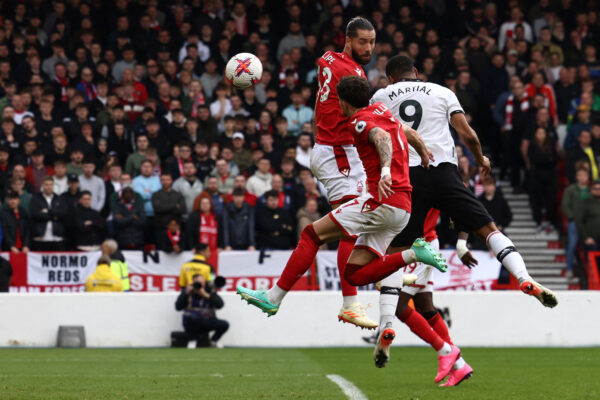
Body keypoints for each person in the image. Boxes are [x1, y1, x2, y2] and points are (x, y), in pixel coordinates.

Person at [238, 76, 442, 332]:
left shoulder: (358, 121)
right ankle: (411, 256)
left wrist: (386, 171)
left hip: (381, 201)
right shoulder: (381, 110)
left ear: (343, 103)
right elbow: (407, 132)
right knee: (354, 274)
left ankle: (273, 298)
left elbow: (381, 138)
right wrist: (423, 152)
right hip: (402, 208)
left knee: (311, 234)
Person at [371, 55, 557, 309]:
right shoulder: (442, 92)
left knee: (397, 250)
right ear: (415, 71)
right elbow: (467, 134)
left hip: (409, 177)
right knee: (489, 230)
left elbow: (374, 137)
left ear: (390, 78)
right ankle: (524, 278)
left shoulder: (381, 97)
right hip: (445, 172)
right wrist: (481, 158)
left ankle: (387, 323)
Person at [372, 209, 475, 388]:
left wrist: (461, 243)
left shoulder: (427, 180)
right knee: (425, 306)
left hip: (418, 245)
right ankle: (459, 365)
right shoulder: (435, 180)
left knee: (398, 305)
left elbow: (462, 206)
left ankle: (446, 351)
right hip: (422, 242)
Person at [175, 272, 228, 349]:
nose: (200, 285)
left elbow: (220, 305)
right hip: (193, 321)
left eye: (202, 282)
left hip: (208, 320)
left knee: (224, 324)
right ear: (193, 282)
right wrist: (186, 293)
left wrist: (207, 295)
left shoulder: (209, 291)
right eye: (198, 283)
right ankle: (192, 340)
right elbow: (178, 307)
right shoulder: (188, 291)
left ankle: (213, 341)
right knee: (188, 318)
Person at [562, 166, 589, 279]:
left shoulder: (591, 189)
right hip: (574, 223)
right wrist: (571, 218)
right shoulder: (571, 189)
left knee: (589, 246)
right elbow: (565, 205)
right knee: (572, 245)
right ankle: (569, 269)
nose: (582, 177)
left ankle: (588, 271)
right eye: (580, 175)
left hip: (588, 223)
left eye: (585, 175)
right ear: (577, 176)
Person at [29, 175, 69, 251]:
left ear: (53, 186)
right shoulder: (36, 199)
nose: (49, 187)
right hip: (40, 238)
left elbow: (63, 213)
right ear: (42, 185)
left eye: (51, 185)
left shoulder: (59, 198)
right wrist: (54, 216)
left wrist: (48, 211)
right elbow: (35, 214)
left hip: (56, 238)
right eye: (46, 185)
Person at [575, 180, 600, 253]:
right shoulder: (585, 202)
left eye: (599, 189)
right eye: (595, 189)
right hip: (592, 240)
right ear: (591, 190)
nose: (598, 191)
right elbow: (579, 221)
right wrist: (586, 237)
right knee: (593, 263)